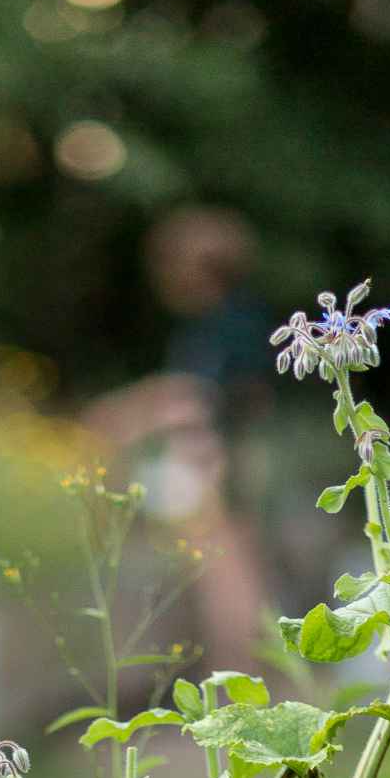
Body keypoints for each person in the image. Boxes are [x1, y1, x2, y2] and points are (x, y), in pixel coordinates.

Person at [85, 206, 277, 672]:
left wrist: (125, 417)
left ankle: (239, 677)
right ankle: (246, 674)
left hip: (221, 456)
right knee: (232, 564)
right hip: (233, 451)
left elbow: (196, 395)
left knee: (225, 571)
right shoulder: (237, 319)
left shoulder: (222, 326)